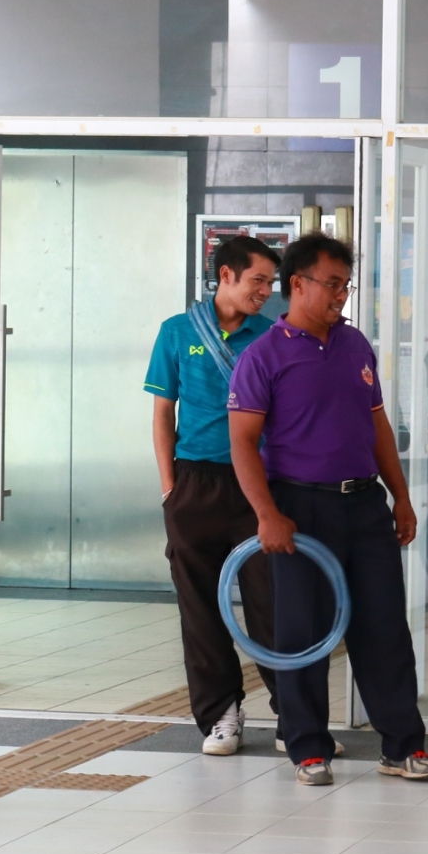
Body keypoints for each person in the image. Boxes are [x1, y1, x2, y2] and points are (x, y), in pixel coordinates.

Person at [226, 233, 428, 787]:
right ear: (297, 285)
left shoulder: (354, 344)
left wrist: (401, 496)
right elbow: (242, 442)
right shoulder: (263, 355)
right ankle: (308, 748)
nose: (342, 295)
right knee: (302, 631)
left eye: (347, 285)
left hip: (364, 503)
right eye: (333, 284)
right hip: (300, 508)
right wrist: (267, 514)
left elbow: (377, 424)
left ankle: (403, 745)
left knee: (384, 627)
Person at [144, 235, 282, 754]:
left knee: (272, 602)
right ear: (226, 275)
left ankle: (294, 715)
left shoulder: (271, 336)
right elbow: (163, 413)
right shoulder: (177, 332)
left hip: (256, 486)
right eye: (258, 280)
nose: (266, 291)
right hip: (194, 483)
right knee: (200, 606)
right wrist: (169, 489)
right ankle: (221, 714)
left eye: (270, 282)